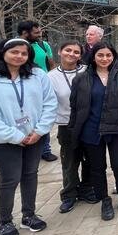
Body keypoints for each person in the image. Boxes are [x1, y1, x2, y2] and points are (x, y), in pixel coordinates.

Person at [0, 38, 57, 235]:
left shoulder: (38, 76)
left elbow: (50, 103)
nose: (19, 56)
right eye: (14, 52)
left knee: (30, 174)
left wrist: (40, 130)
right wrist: (15, 136)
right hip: (2, 140)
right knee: (10, 178)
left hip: (35, 136)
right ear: (2, 52)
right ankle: (5, 222)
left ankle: (29, 215)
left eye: (24, 53)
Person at [68, 42, 118, 220]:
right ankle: (104, 200)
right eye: (100, 55)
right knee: (97, 168)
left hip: (116, 130)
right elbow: (75, 107)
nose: (104, 59)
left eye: (108, 55)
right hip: (91, 130)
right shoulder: (81, 79)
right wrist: (73, 131)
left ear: (113, 56)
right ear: (93, 57)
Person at [47, 41, 95, 214]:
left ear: (80, 55)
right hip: (66, 125)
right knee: (70, 161)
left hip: (89, 123)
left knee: (90, 158)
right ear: (60, 51)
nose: (72, 54)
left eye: (76, 52)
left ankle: (87, 189)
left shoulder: (87, 71)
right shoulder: (51, 77)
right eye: (68, 50)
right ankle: (69, 194)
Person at [18, 20, 58, 161]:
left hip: (42, 87)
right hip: (22, 88)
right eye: (36, 33)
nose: (39, 35)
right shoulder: (16, 47)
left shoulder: (43, 45)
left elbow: (51, 64)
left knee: (43, 117)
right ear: (24, 33)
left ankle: (45, 149)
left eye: (40, 32)